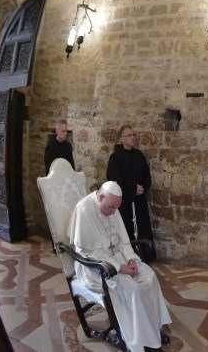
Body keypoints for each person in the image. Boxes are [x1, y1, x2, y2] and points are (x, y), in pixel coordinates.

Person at [68, 181, 171, 352]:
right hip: (96, 266)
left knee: (149, 276)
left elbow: (124, 240)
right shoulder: (84, 209)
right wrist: (119, 267)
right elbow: (88, 252)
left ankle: (153, 328)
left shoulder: (112, 206)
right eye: (111, 207)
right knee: (131, 287)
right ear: (100, 197)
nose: (114, 212)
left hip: (118, 258)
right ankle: (141, 340)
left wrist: (130, 259)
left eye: (116, 208)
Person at [107, 125, 156, 262]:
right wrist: (133, 188)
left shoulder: (139, 155)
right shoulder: (115, 158)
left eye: (134, 135)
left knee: (142, 227)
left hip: (139, 200)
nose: (133, 137)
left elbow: (146, 175)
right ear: (122, 139)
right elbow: (115, 179)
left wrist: (143, 188)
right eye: (129, 135)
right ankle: (129, 258)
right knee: (126, 229)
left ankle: (145, 257)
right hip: (125, 202)